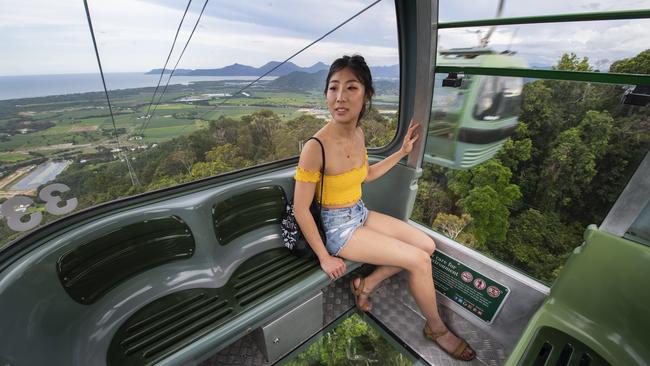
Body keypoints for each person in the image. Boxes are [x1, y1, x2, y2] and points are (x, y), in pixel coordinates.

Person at [292, 54, 476, 361]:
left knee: (426, 246)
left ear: (366, 95)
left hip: (359, 213)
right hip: (338, 229)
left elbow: (368, 174)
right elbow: (301, 209)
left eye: (351, 88)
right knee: (418, 261)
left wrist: (402, 152)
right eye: (333, 87)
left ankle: (367, 283)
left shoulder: (358, 134)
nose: (340, 97)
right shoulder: (316, 147)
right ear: (326, 93)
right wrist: (325, 257)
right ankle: (436, 328)